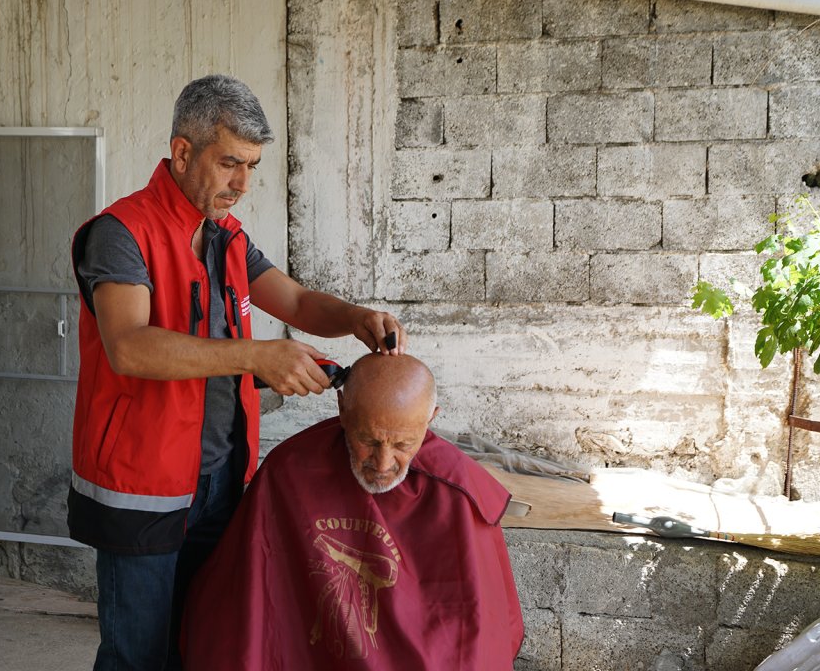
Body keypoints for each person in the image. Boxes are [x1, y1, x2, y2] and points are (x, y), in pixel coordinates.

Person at [69, 74, 406, 671]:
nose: (242, 184)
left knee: (204, 643)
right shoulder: (120, 233)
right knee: (137, 658)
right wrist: (257, 356)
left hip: (222, 481)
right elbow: (130, 348)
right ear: (181, 152)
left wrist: (356, 317)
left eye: (251, 165)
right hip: (142, 488)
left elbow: (297, 304)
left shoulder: (226, 239)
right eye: (229, 163)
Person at [181, 353, 524, 670]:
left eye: (404, 444)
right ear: (342, 408)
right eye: (369, 441)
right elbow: (245, 612)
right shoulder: (291, 471)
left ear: (429, 420)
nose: (384, 463)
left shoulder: (457, 490)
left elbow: (477, 633)